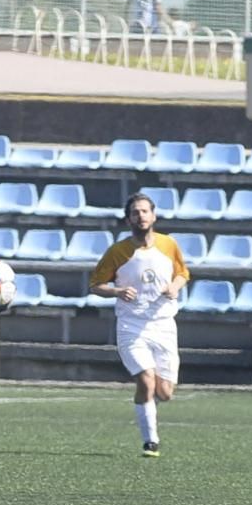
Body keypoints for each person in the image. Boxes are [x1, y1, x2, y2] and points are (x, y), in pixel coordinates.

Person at [89, 193, 189, 458]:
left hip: (164, 325)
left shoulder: (168, 245)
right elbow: (96, 285)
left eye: (145, 211)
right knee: (145, 380)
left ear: (153, 216)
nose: (141, 216)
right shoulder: (117, 252)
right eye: (135, 212)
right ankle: (150, 441)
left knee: (165, 393)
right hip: (132, 327)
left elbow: (183, 273)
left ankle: (149, 404)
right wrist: (117, 292)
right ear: (128, 219)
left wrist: (174, 286)